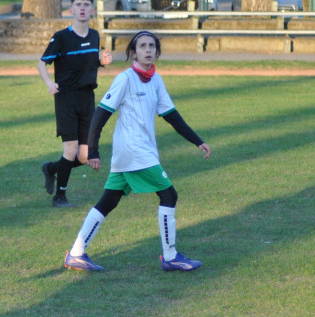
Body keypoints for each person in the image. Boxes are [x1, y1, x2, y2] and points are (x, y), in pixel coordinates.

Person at [64, 31, 211, 272]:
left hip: (137, 153)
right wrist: (93, 150)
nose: (148, 49)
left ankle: (77, 253)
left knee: (108, 201)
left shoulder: (156, 80)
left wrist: (197, 141)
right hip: (134, 151)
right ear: (133, 52)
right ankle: (170, 255)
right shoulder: (125, 79)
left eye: (152, 46)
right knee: (169, 195)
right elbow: (101, 114)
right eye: (142, 46)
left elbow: (171, 116)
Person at [37, 0, 112, 207]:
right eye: (78, 4)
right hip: (66, 98)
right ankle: (60, 196)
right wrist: (50, 84)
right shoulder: (61, 38)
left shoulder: (94, 36)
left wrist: (101, 61)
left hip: (87, 98)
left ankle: (51, 169)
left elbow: (87, 62)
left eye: (86, 5)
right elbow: (42, 63)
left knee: (83, 157)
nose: (82, 8)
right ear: (71, 10)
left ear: (92, 10)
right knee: (70, 150)